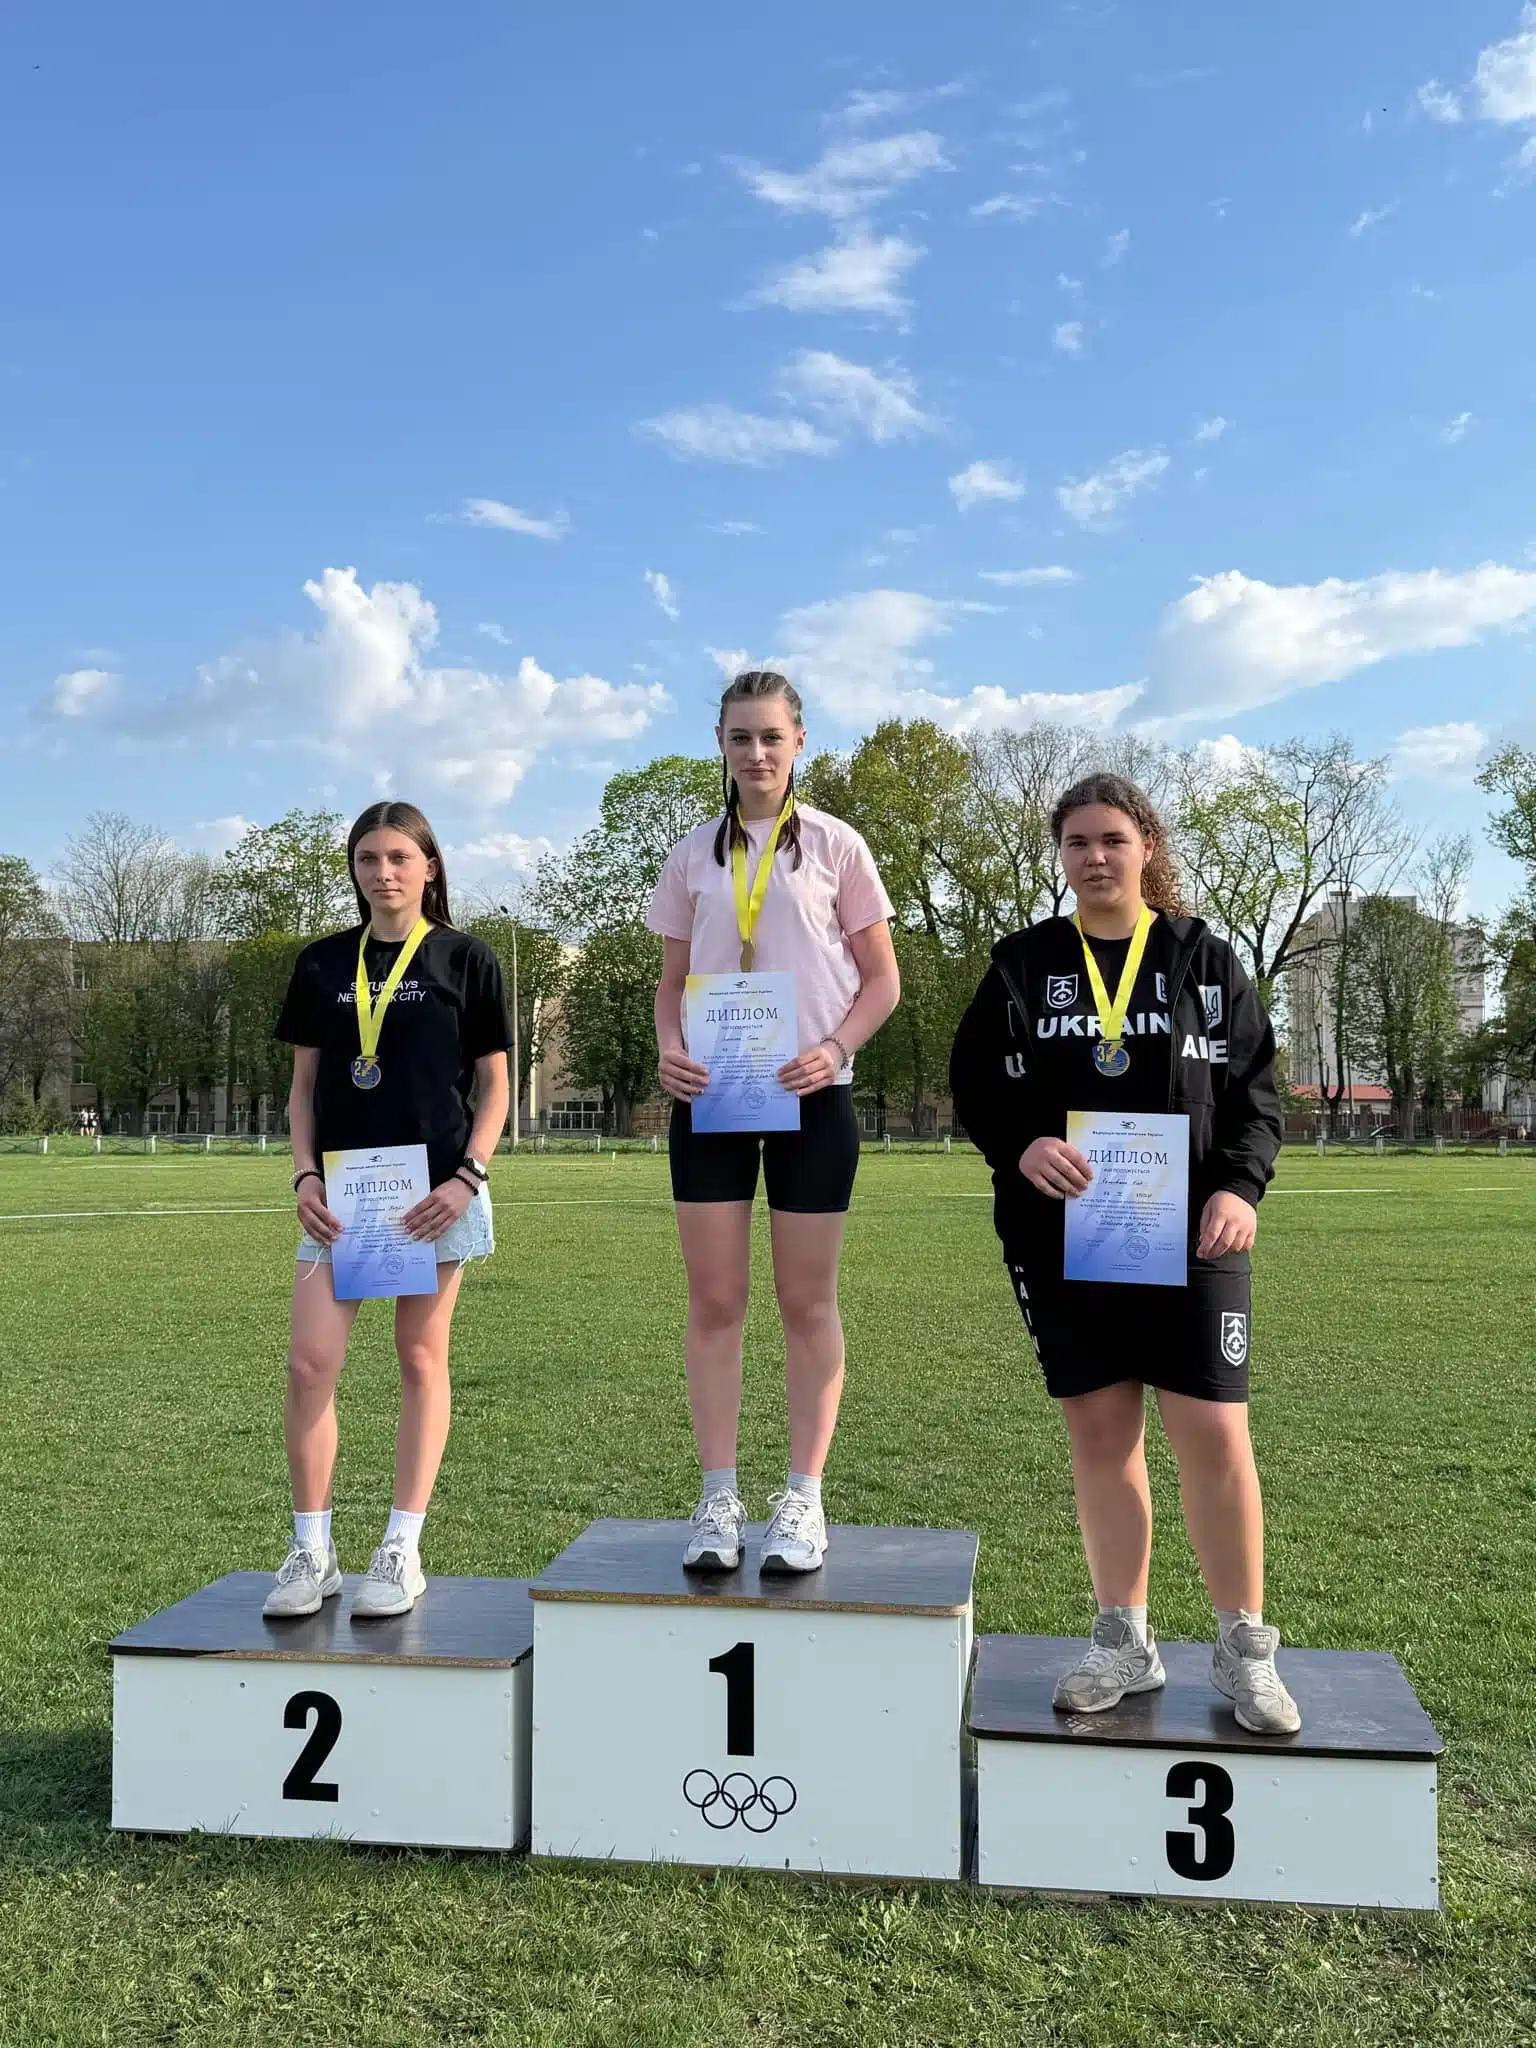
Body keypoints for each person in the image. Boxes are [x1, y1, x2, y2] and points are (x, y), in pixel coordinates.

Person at [949, 773, 1297, 1735]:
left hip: (1195, 1235)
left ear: (1147, 845)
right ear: (1059, 855)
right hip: (1067, 1235)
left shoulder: (1203, 960)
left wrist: (1239, 1188)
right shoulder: (1023, 965)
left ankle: (1244, 1648)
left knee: (1214, 1435)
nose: (1095, 857)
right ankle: (1124, 1641)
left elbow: (1257, 1095)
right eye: (1077, 842)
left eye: (1112, 839)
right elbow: (976, 1084)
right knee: (1102, 1436)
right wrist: (1019, 1145)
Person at [648, 670, 900, 1573]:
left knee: (806, 1302)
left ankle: (803, 1497)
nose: (755, 753)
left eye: (770, 737)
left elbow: (883, 982)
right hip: (712, 1099)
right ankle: (718, 1498)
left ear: (799, 742)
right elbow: (670, 986)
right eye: (739, 737)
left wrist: (835, 1049)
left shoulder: (837, 845)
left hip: (812, 1097)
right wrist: (669, 1048)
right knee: (716, 1303)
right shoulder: (692, 854)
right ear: (719, 745)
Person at [264, 801, 511, 1620]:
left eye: (400, 857)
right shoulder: (322, 963)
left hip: (436, 1194)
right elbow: (302, 1090)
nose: (383, 872)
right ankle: (312, 1550)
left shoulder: (467, 959)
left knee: (420, 1358)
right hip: (340, 1198)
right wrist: (304, 1178)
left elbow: (496, 1087)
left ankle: (401, 1547)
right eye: (368, 858)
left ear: (429, 866)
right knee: (310, 1364)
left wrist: (468, 1177)